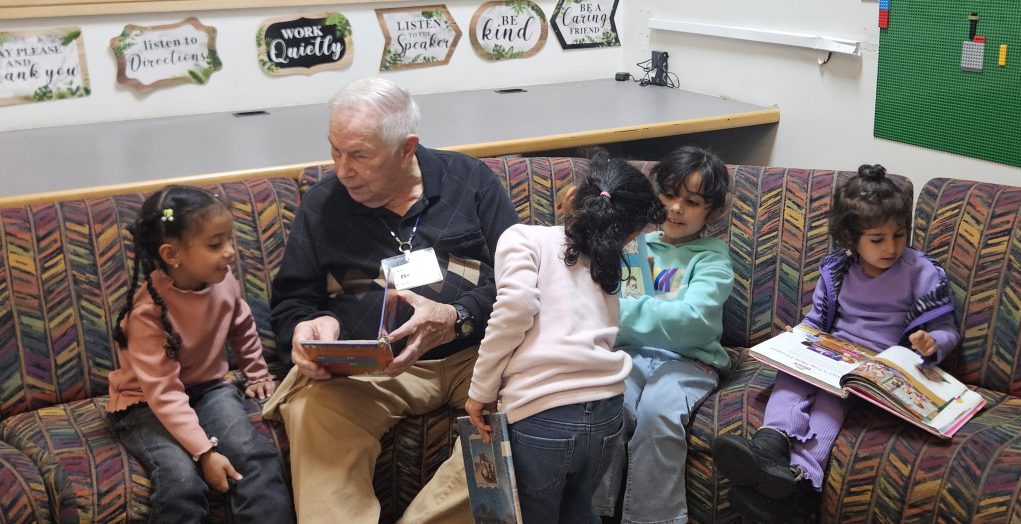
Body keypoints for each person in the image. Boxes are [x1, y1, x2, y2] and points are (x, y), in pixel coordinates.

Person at [261, 77, 519, 523]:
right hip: (374, 369)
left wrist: (456, 316)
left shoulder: (469, 180)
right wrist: (308, 327)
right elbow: (292, 301)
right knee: (313, 409)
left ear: (406, 148)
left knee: (535, 404)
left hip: (477, 355)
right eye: (335, 151)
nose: (343, 169)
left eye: (359, 155)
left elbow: (520, 277)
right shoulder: (323, 204)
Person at [711, 164, 960, 523]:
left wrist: (931, 342)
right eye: (877, 239)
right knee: (791, 377)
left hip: (876, 367)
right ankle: (769, 447)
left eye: (899, 235)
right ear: (851, 238)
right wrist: (798, 337)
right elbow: (817, 319)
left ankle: (801, 480)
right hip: (831, 351)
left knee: (831, 402)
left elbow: (946, 329)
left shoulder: (919, 271)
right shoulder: (839, 269)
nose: (891, 247)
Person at [466, 154, 667, 524]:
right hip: (607, 412)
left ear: (571, 194)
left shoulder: (523, 237)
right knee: (579, 512)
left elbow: (515, 307)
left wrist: (481, 390)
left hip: (542, 414)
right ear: (631, 235)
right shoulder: (608, 261)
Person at [107, 185, 294, 523]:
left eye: (229, 240)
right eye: (215, 244)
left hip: (208, 389)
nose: (230, 252)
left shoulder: (223, 281)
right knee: (181, 479)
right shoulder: (147, 314)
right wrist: (205, 453)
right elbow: (164, 393)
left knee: (252, 455)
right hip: (144, 403)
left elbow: (242, 325)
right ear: (172, 254)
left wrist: (257, 373)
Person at [593, 146, 735, 524]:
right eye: (669, 195)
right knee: (609, 405)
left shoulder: (712, 257)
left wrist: (622, 312)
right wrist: (632, 314)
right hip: (630, 354)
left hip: (690, 361)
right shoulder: (633, 244)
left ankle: (653, 519)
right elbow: (604, 304)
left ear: (713, 211)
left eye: (691, 202)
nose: (675, 208)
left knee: (658, 413)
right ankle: (593, 512)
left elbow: (694, 321)